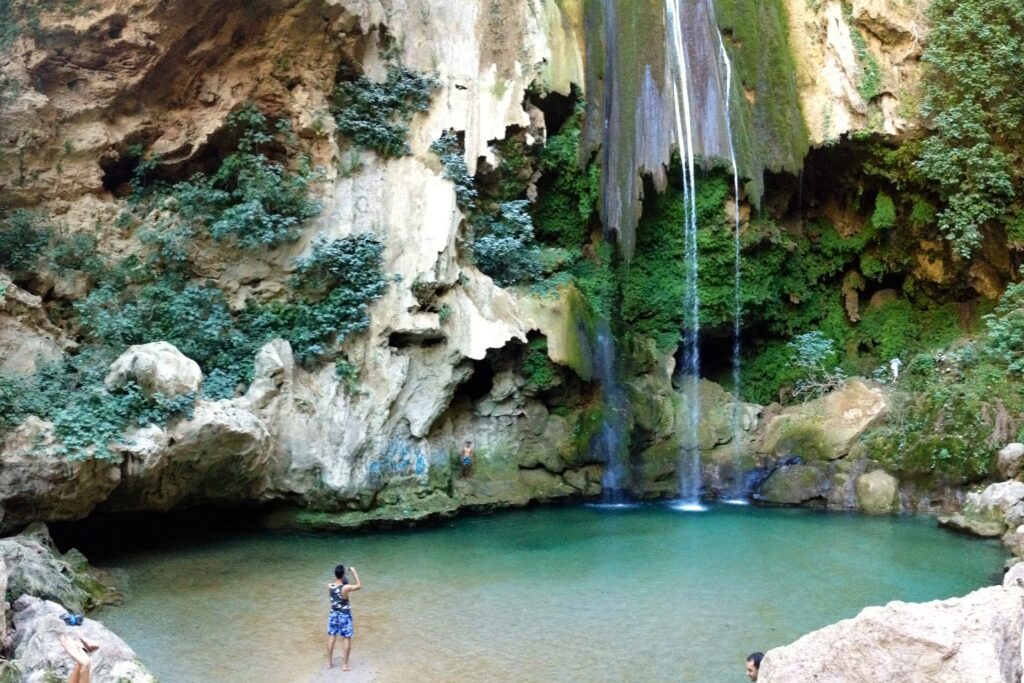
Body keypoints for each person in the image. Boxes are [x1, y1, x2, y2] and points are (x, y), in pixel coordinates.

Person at [326, 564, 361, 671]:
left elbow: (335, 595)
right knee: (346, 638)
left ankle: (329, 663)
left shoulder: (329, 586)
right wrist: (354, 572)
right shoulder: (345, 587)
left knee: (332, 636)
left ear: (335, 574)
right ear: (343, 575)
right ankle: (345, 665)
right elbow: (359, 585)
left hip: (333, 614)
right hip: (344, 615)